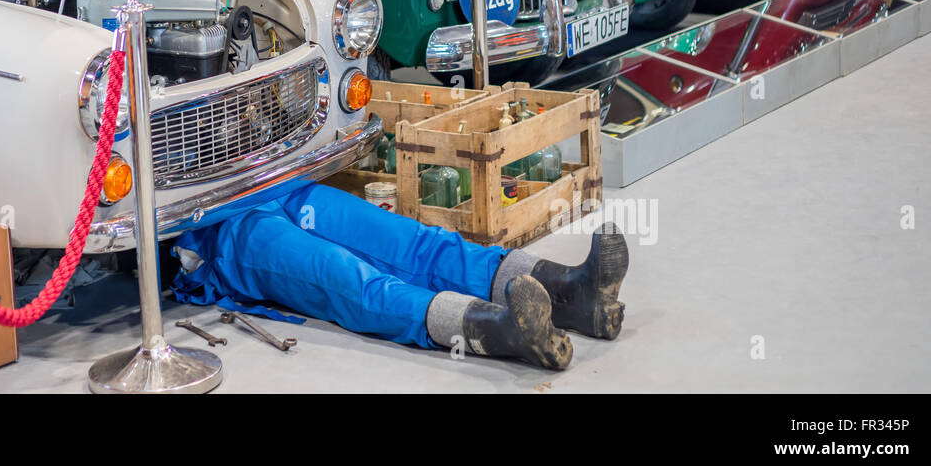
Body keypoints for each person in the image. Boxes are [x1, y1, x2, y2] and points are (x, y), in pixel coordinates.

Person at [170, 183, 628, 370]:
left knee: (409, 239)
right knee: (348, 278)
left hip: (276, 181)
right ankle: (498, 331)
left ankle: (573, 293)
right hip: (210, 229)